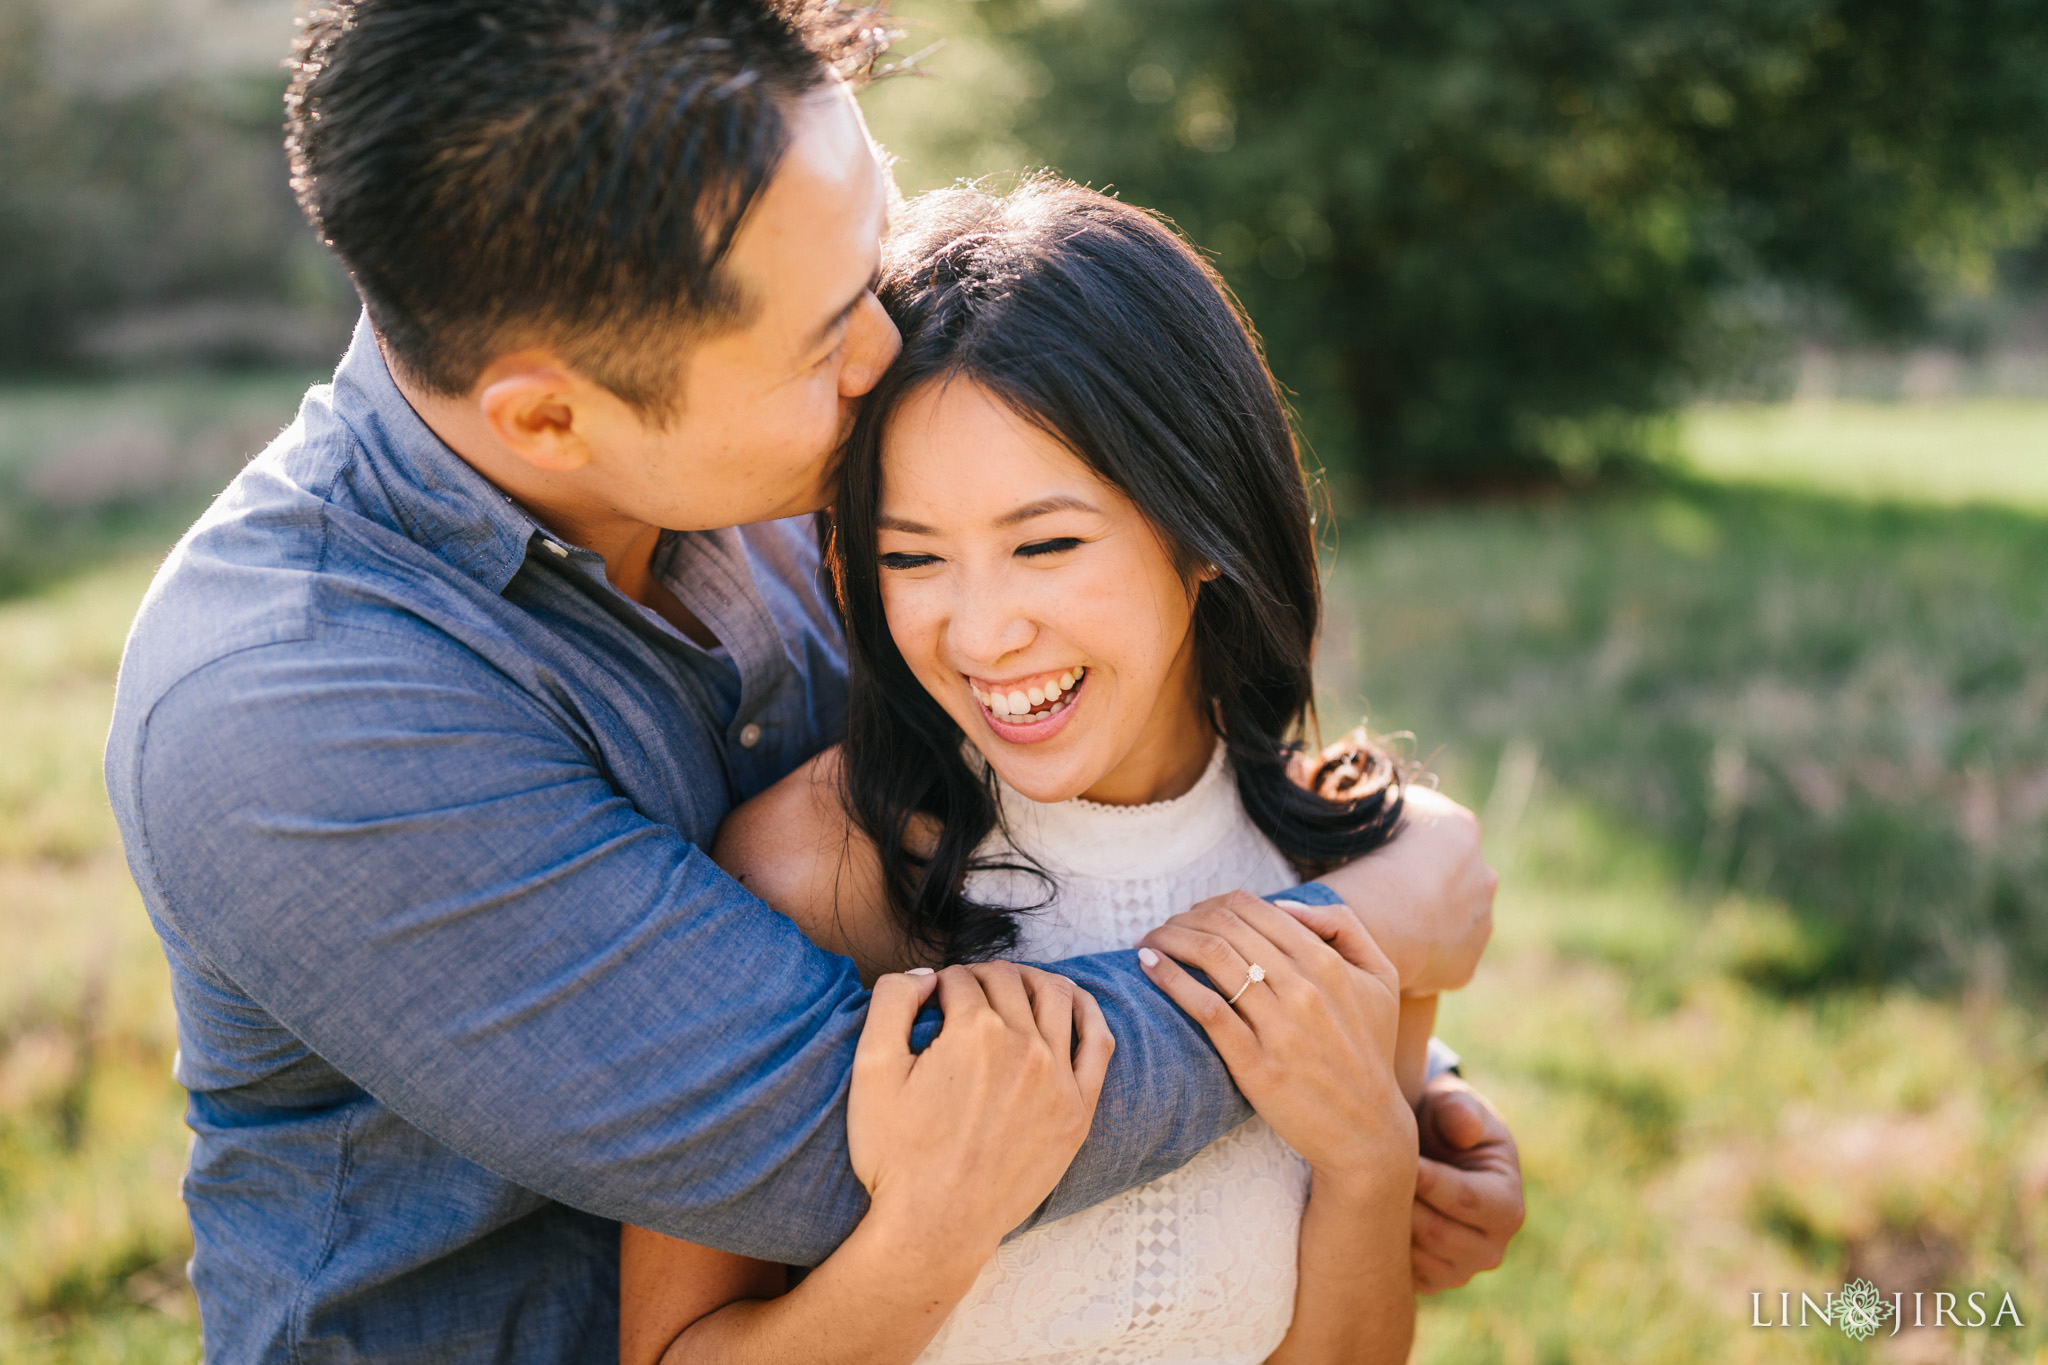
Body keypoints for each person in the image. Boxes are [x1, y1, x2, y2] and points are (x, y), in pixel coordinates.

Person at [101, 3, 1520, 1361]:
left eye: (874, 253)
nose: (887, 347)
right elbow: (849, 1136)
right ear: (550, 414)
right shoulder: (288, 711)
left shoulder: (773, 439)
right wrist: (1358, 935)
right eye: (824, 329)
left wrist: (1395, 1100)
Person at [619, 179, 1460, 1365]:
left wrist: (1374, 1161)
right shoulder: (813, 873)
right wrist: (931, 1235)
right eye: (911, 556)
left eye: (1046, 544)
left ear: (1201, 524)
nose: (979, 635)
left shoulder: (1341, 864)